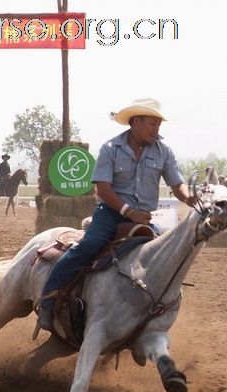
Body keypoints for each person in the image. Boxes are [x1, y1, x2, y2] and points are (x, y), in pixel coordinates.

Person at [36, 98, 195, 333]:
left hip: (143, 217)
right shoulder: (111, 149)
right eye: (152, 123)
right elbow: (103, 189)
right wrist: (128, 212)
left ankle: (151, 316)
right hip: (110, 213)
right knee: (89, 246)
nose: (157, 129)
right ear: (135, 122)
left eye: (159, 124)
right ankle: (47, 303)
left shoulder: (164, 152)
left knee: (164, 255)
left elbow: (177, 183)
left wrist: (189, 197)